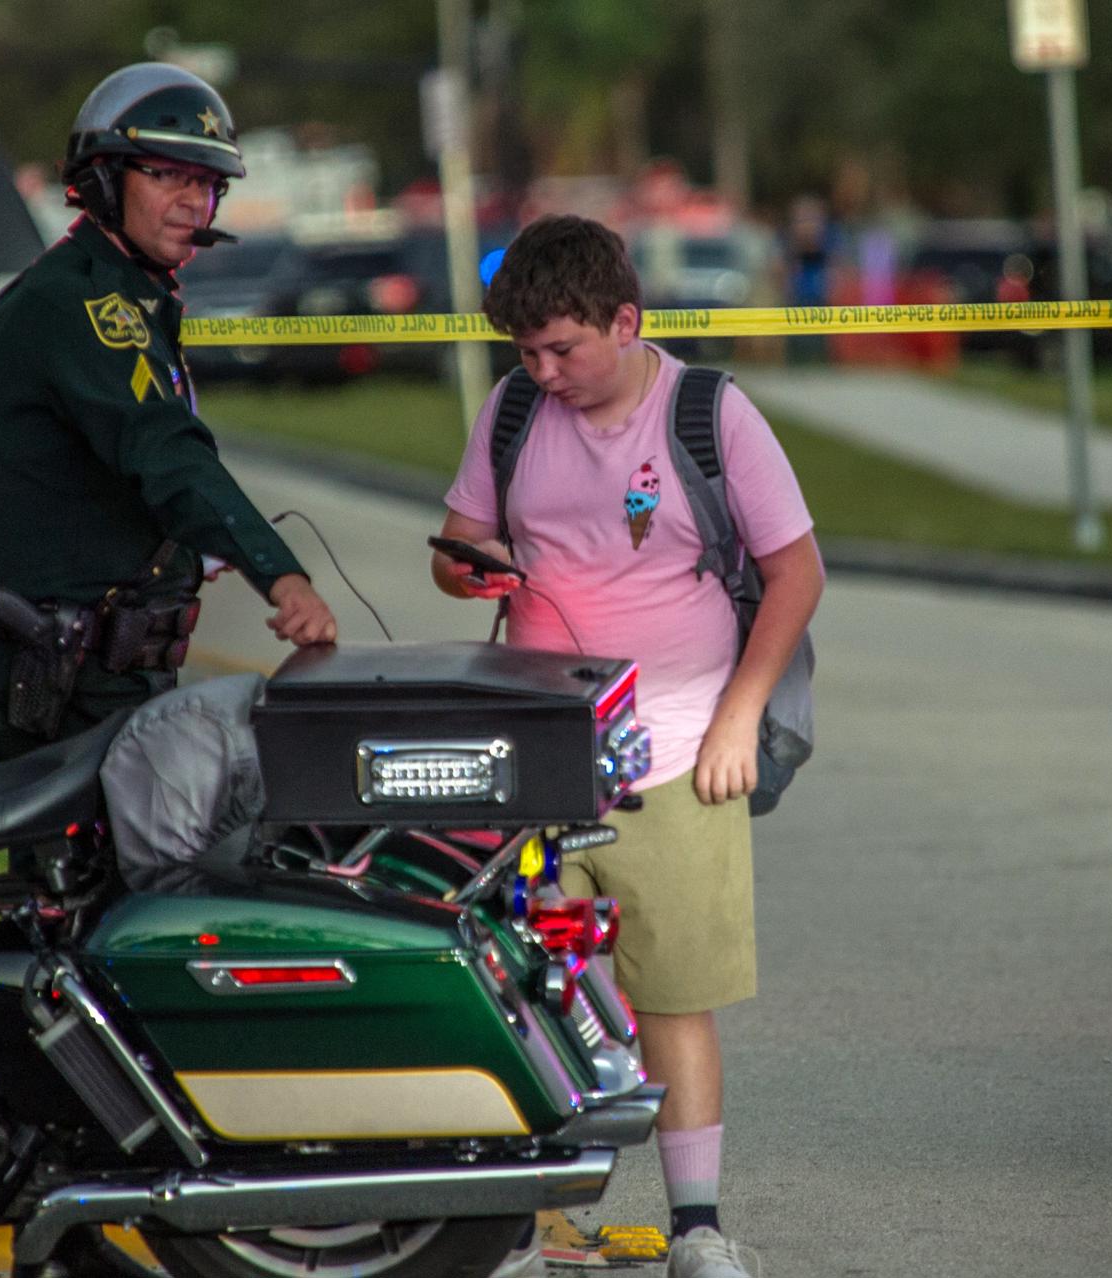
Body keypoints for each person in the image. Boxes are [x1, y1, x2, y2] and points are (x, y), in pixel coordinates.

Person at [432, 215, 823, 1278]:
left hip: (682, 749)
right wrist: (467, 569)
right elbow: (462, 542)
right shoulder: (513, 410)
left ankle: (698, 1227)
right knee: (526, 988)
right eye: (526, 353)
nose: (545, 373)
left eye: (564, 349)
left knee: (671, 996)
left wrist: (740, 717)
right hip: (540, 753)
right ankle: (533, 1219)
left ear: (627, 321)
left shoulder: (709, 413)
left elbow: (797, 572)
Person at [0, 62, 335, 766]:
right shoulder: (82, 307)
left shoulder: (124, 294)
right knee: (155, 862)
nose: (195, 201)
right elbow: (165, 452)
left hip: (95, 667)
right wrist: (280, 575)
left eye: (208, 183)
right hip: (63, 676)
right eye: (168, 175)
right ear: (103, 179)